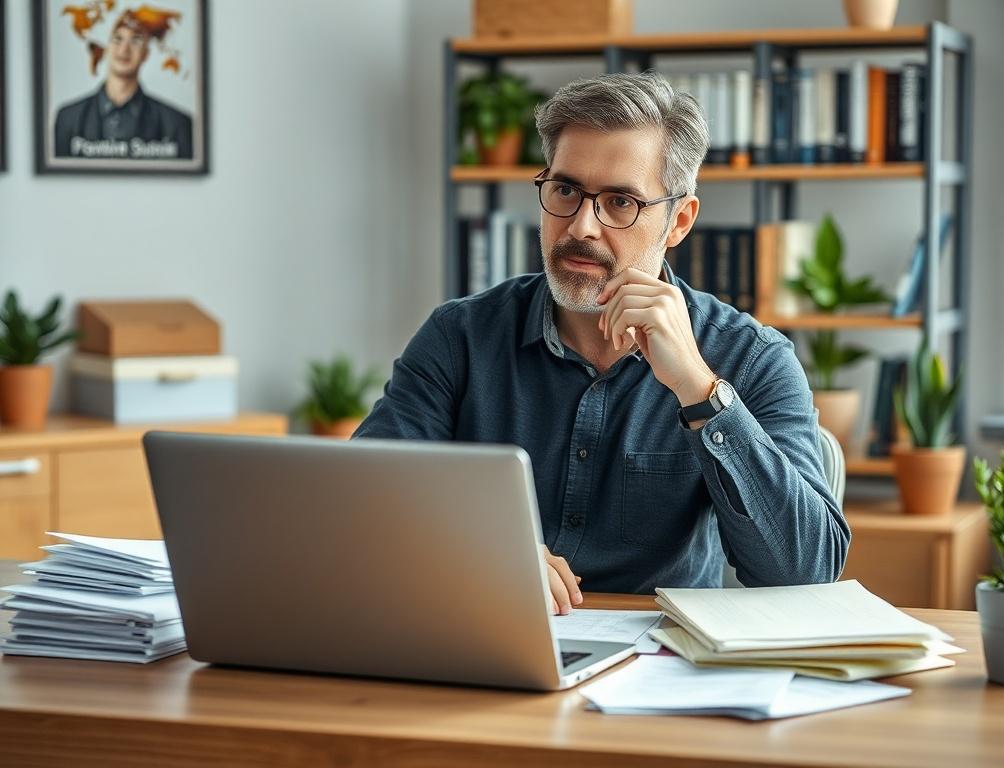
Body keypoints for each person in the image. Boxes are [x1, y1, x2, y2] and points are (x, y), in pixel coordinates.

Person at [355, 72, 850, 612]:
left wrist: (699, 389)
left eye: (620, 201)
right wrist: (476, 548)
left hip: (664, 665)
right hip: (489, 636)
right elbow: (359, 504)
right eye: (565, 190)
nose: (583, 226)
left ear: (679, 220)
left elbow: (807, 574)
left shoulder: (753, 358)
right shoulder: (461, 337)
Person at [54, 10, 192, 160]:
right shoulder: (68, 118)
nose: (124, 49)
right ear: (105, 47)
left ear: (146, 54)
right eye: (117, 39)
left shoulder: (176, 123)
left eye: (135, 40)